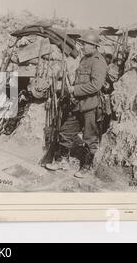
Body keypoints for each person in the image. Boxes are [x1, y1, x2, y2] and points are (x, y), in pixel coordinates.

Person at [45, 32, 108, 178]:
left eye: (85, 44)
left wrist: (75, 90)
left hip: (91, 106)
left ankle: (87, 166)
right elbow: (80, 80)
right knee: (66, 130)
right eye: (83, 43)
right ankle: (62, 161)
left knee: (90, 137)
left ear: (94, 46)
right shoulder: (84, 59)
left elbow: (96, 85)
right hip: (78, 103)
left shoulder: (98, 61)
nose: (83, 46)